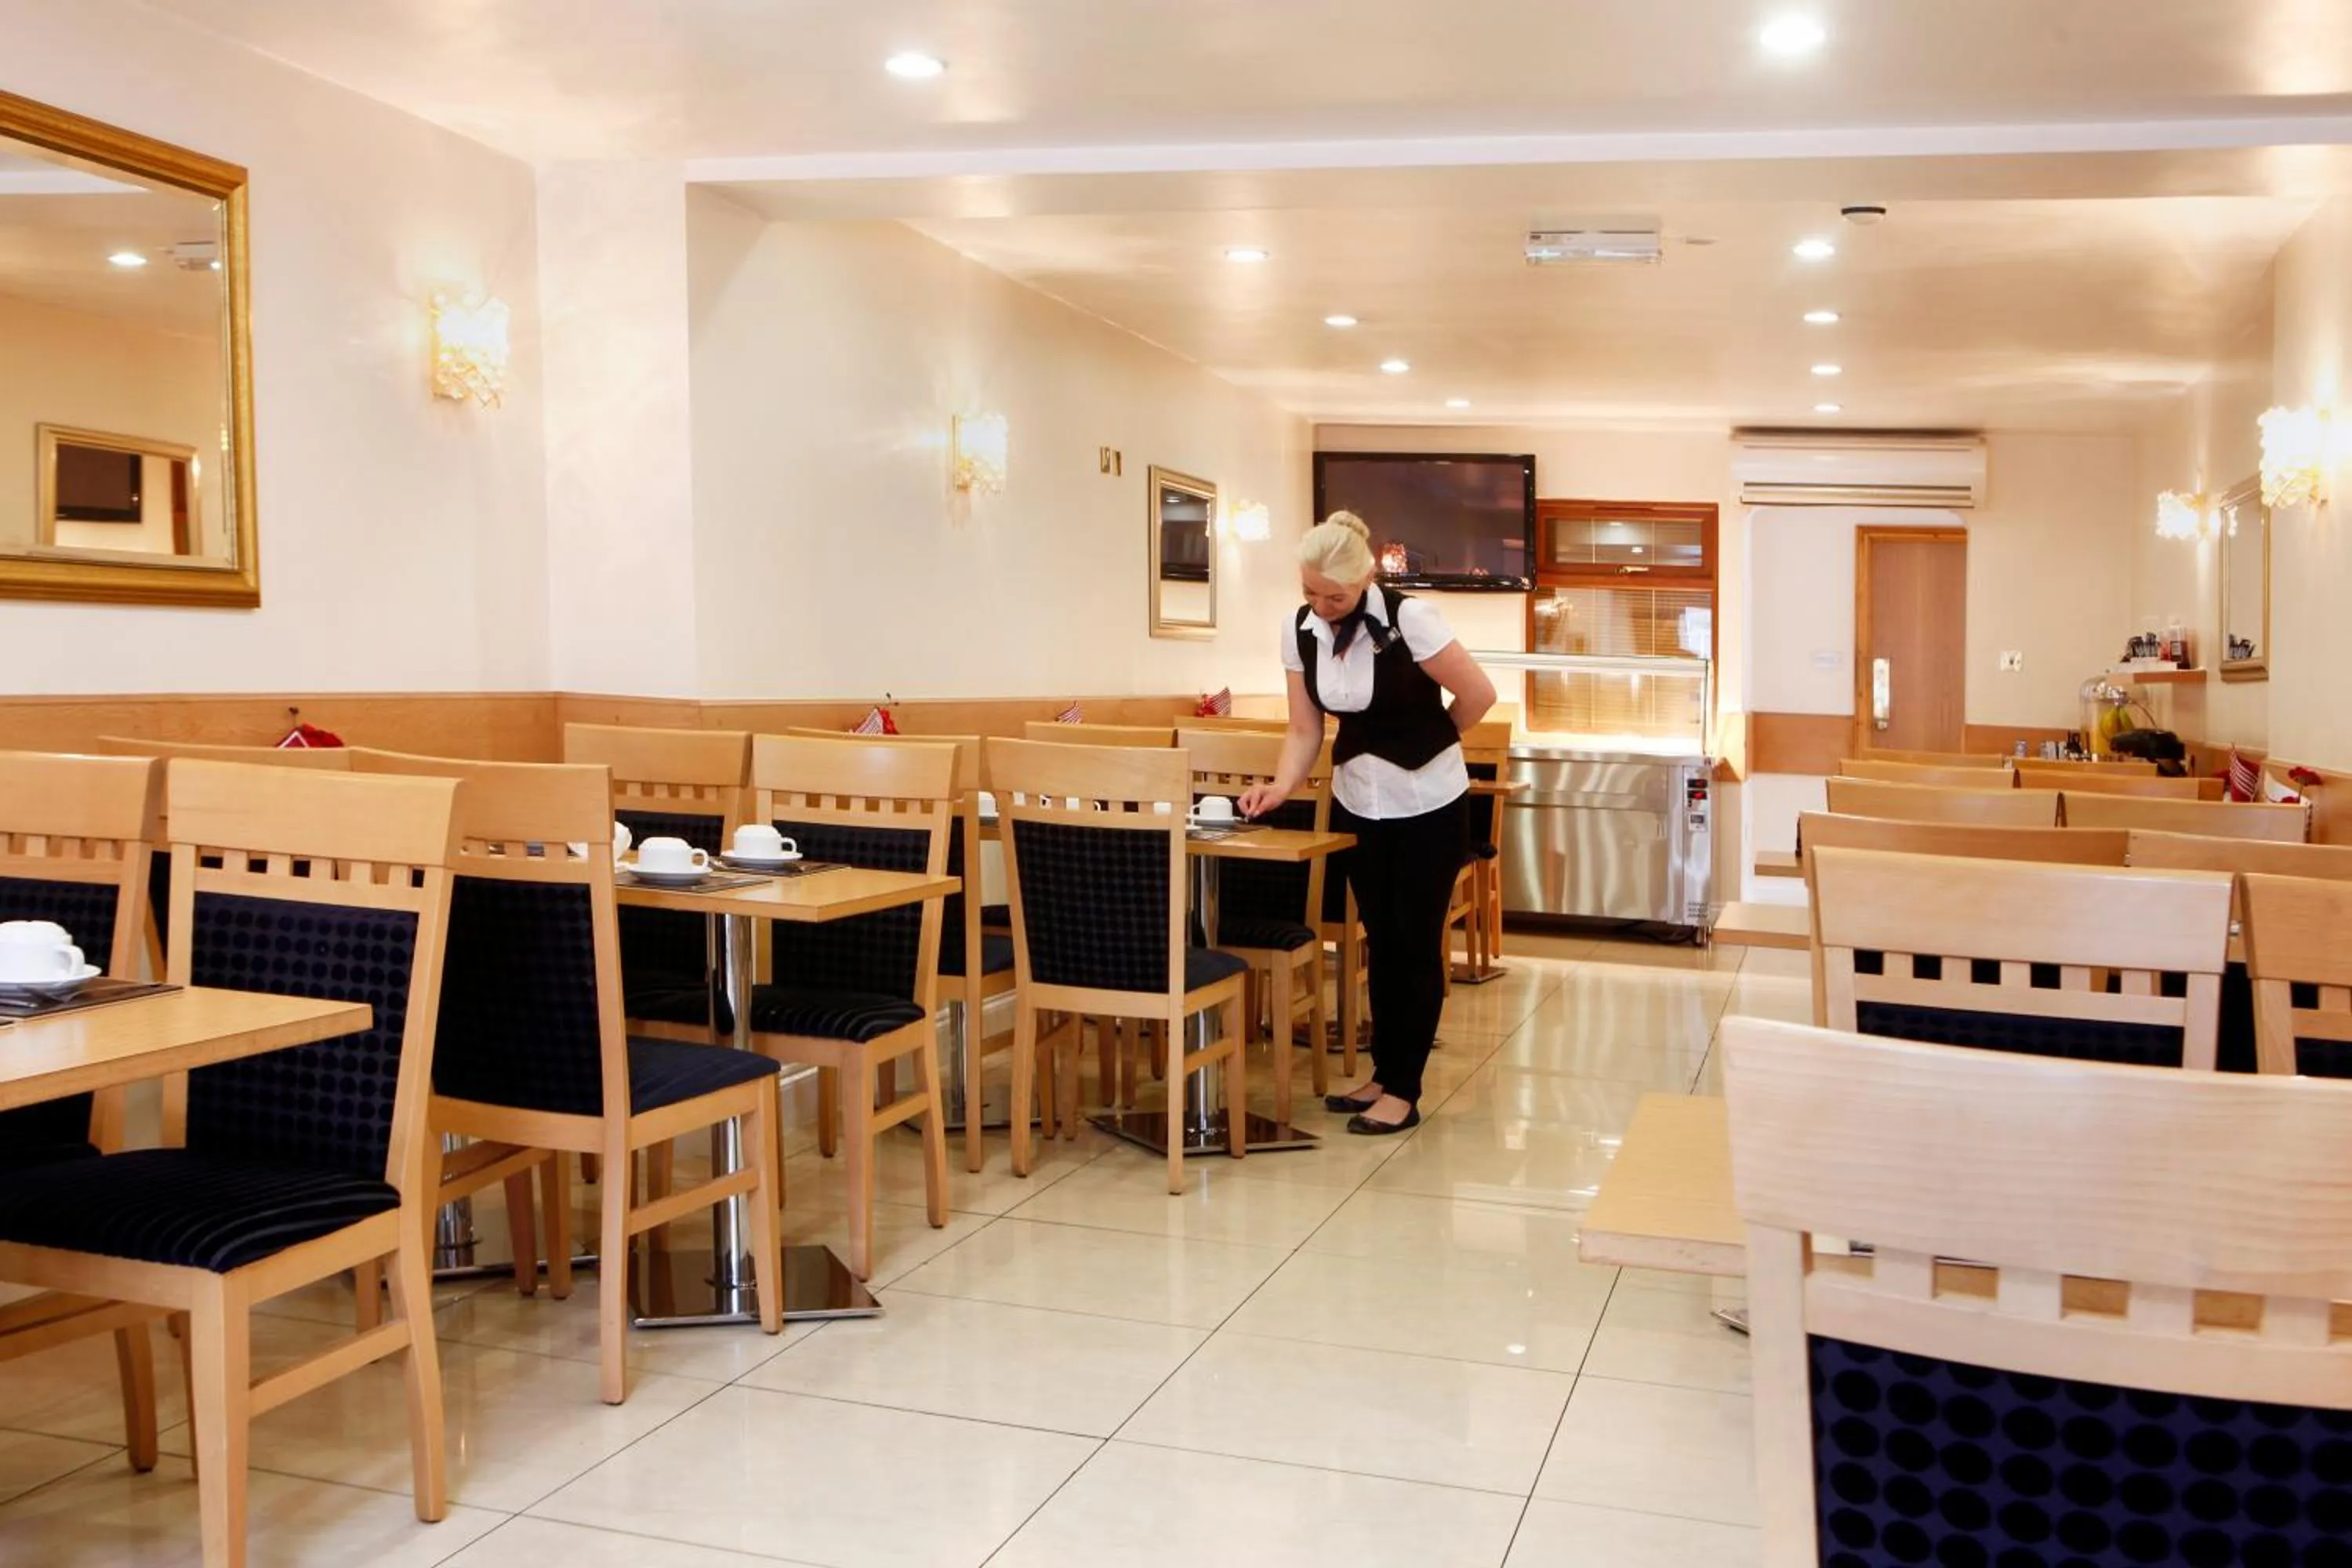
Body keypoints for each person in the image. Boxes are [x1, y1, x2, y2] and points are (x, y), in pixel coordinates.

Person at [1236, 510, 1497, 1134]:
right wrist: (1280, 787)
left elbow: (1479, 694)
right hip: (1361, 801)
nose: (1322, 607)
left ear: (1366, 580)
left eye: (1337, 596)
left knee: (1415, 941)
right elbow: (1305, 728)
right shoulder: (1299, 631)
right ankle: (1383, 1073)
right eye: (1310, 593)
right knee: (1378, 940)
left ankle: (1404, 1091)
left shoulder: (1410, 619)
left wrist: (1430, 741)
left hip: (1430, 802)